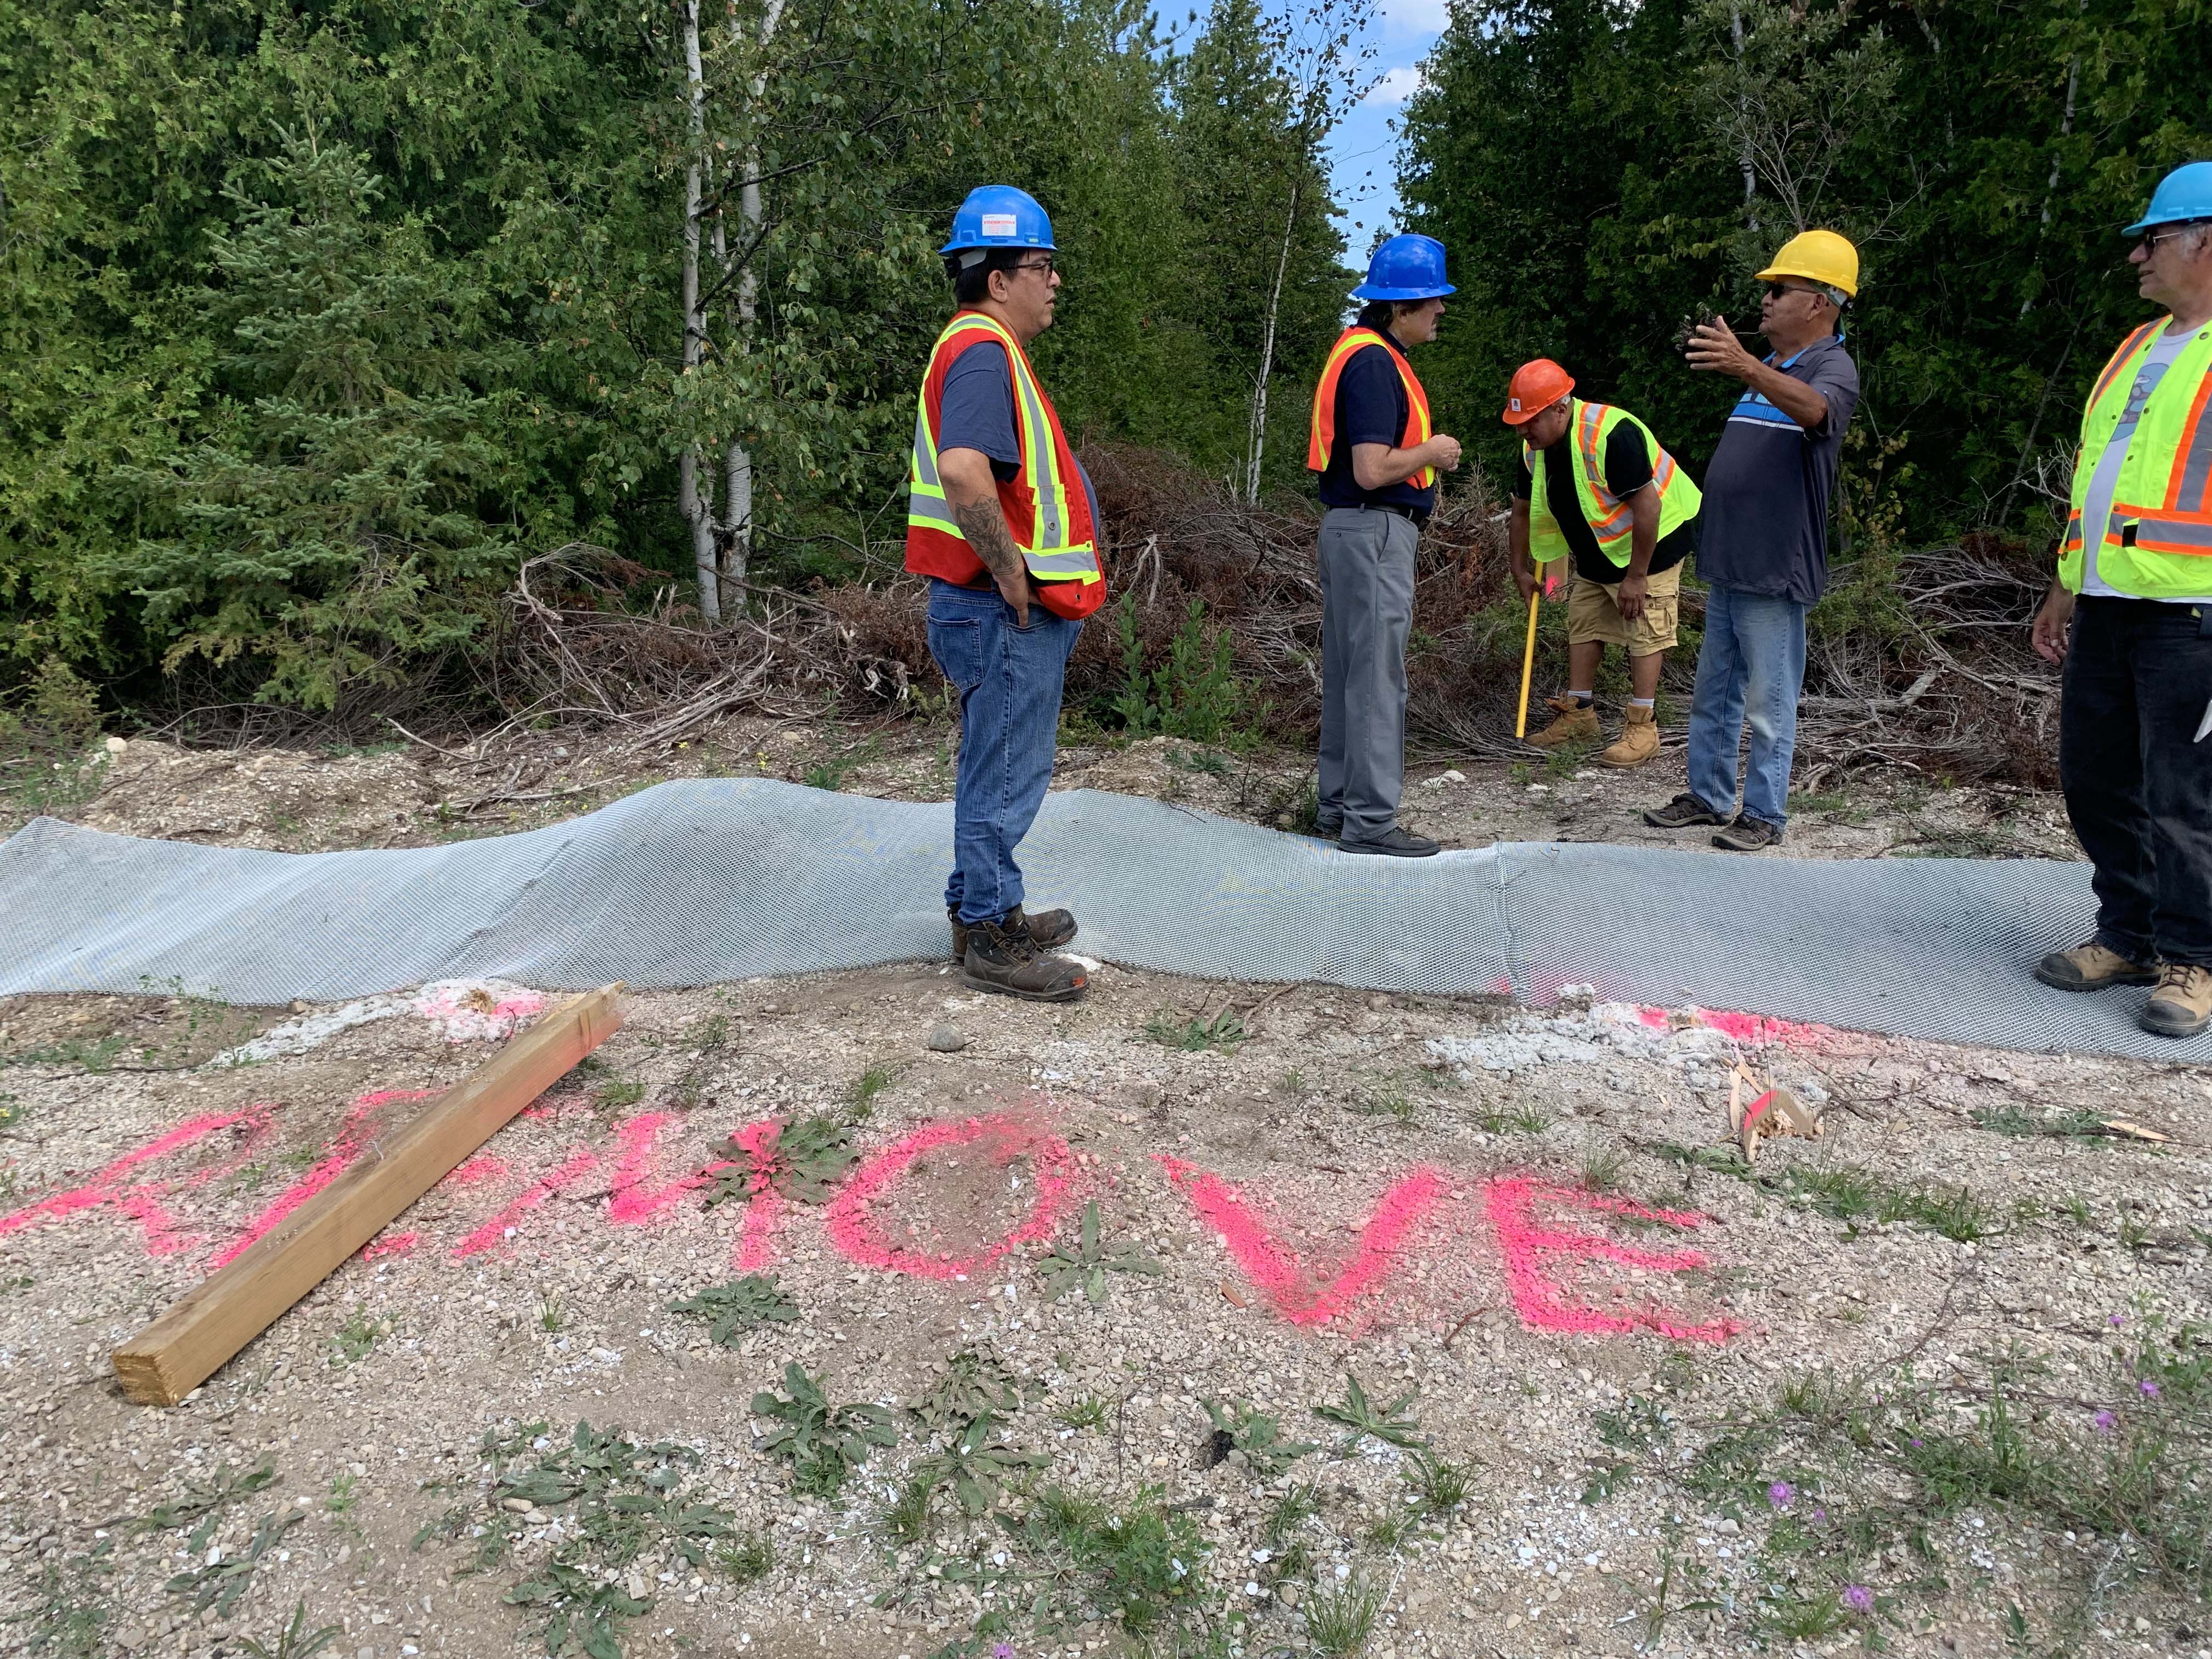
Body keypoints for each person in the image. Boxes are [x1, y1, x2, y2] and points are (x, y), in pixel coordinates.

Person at [905, 185, 1104, 1001]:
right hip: (1000, 609)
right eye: (1042, 264)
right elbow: (962, 469)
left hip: (991, 608)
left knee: (998, 763)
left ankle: (983, 908)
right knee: (1008, 771)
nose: (1054, 280)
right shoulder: (984, 350)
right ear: (996, 278)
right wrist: (1012, 572)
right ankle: (991, 936)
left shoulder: (978, 349)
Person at [2029, 161, 2212, 1040]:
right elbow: (2099, 480)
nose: (2138, 255)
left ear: (2205, 242)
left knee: (2186, 798)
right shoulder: (2138, 347)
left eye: (2154, 238)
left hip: (2193, 617)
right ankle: (2129, 935)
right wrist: (2066, 586)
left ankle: (2195, 960)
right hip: (2107, 605)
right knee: (2098, 780)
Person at [1644, 230, 1862, 851]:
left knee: (1769, 699)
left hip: (1775, 566)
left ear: (1820, 302)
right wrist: (1754, 370)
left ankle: (1765, 814)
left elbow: (1819, 414)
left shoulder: (1829, 367)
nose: (1765, 301)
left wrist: (1746, 365)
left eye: (1779, 290)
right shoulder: (1773, 370)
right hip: (1731, 562)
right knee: (1715, 691)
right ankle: (1709, 797)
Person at [1305, 233, 1464, 856]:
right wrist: (1434, 452)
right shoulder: (1374, 363)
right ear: (1402, 307)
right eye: (1433, 301)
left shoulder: (1361, 352)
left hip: (1353, 530)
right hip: (1373, 528)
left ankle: (1339, 810)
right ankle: (1370, 823)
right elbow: (1372, 468)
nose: (1441, 310)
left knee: (1352, 674)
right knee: (1376, 679)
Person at [1504, 359, 1703, 767]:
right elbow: (1522, 511)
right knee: (1584, 621)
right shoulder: (1533, 448)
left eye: (1531, 420)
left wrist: (1637, 577)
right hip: (1599, 551)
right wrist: (1520, 570)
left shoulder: (1611, 435)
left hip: (1656, 542)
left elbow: (1648, 507)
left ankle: (1643, 726)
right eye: (1519, 420)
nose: (1524, 429)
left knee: (1644, 626)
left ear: (1561, 408)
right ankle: (1579, 717)